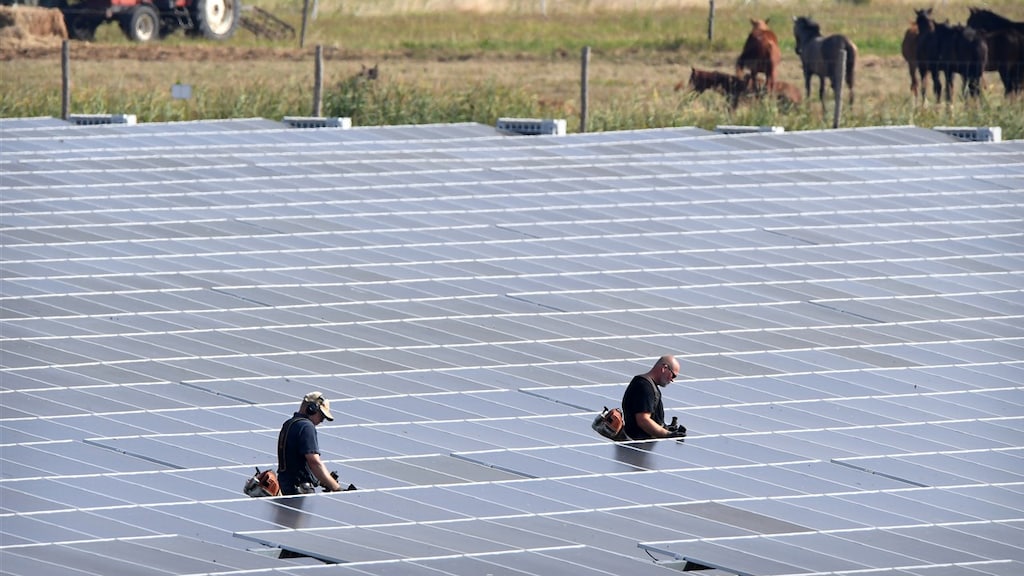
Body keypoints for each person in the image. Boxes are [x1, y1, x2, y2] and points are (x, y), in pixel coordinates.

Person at [276, 391, 344, 494]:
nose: (321, 421)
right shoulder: (306, 426)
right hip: (299, 488)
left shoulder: (289, 424)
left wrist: (323, 479)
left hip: (285, 485)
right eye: (321, 416)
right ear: (312, 409)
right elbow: (314, 462)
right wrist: (336, 488)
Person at [621, 355, 686, 440]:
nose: (672, 380)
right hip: (639, 445)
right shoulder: (644, 387)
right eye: (673, 375)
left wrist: (667, 428)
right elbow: (643, 420)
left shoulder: (649, 386)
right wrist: (667, 434)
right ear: (664, 368)